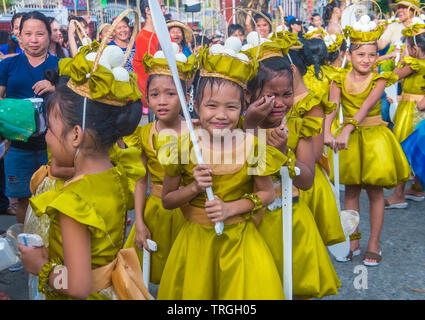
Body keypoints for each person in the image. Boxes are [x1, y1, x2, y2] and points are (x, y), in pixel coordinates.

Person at [18, 39, 145, 299]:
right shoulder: (118, 173)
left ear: (76, 135)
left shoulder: (73, 201)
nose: (47, 138)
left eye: (51, 131)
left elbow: (77, 285)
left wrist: (41, 267)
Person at [156, 45, 285, 300]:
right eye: (211, 105)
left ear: (244, 104)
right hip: (195, 248)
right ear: (195, 104)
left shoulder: (254, 144)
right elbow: (167, 200)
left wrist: (231, 209)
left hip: (241, 245)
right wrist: (193, 188)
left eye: (231, 107)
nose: (221, 115)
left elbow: (267, 194)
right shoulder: (181, 147)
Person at [243, 37, 341, 298]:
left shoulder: (298, 127)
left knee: (298, 287)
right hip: (254, 221)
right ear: (249, 94)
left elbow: (307, 180)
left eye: (286, 94)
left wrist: (284, 153)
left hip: (293, 219)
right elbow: (236, 167)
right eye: (270, 95)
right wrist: (250, 127)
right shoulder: (237, 129)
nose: (279, 102)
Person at [324, 19, 411, 266]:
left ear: (377, 57)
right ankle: (353, 239)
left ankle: (374, 242)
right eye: (360, 53)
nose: (367, 59)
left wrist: (345, 130)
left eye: (373, 54)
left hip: (374, 138)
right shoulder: (338, 78)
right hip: (347, 139)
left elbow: (364, 108)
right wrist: (326, 131)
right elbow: (332, 107)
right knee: (351, 191)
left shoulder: (379, 80)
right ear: (349, 55)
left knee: (374, 192)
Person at [123, 48, 197, 286]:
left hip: (191, 213)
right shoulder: (143, 134)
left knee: (186, 277)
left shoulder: (197, 133)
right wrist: (140, 222)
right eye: (154, 94)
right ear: (147, 97)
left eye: (170, 94)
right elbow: (141, 179)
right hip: (155, 212)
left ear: (186, 97)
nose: (162, 101)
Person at [0, 11, 59, 229]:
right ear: (19, 36)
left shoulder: (61, 65)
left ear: (49, 35)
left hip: (53, 146)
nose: (34, 39)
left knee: (53, 198)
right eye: (28, 34)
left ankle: (52, 249)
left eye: (40, 34)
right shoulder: (8, 65)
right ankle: (24, 248)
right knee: (23, 199)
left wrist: (55, 87)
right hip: (16, 146)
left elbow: (74, 99)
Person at [384, 21, 425, 209]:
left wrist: (400, 60)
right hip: (418, 108)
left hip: (411, 110)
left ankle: (398, 194)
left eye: (407, 46)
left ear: (415, 48)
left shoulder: (414, 64)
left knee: (403, 150)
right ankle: (417, 187)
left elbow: (393, 77)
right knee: (417, 148)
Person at [133, 0, 166, 114]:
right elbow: (156, 69)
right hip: (154, 98)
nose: (164, 11)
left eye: (163, 7)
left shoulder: (162, 34)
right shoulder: (143, 37)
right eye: (160, 7)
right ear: (148, 10)